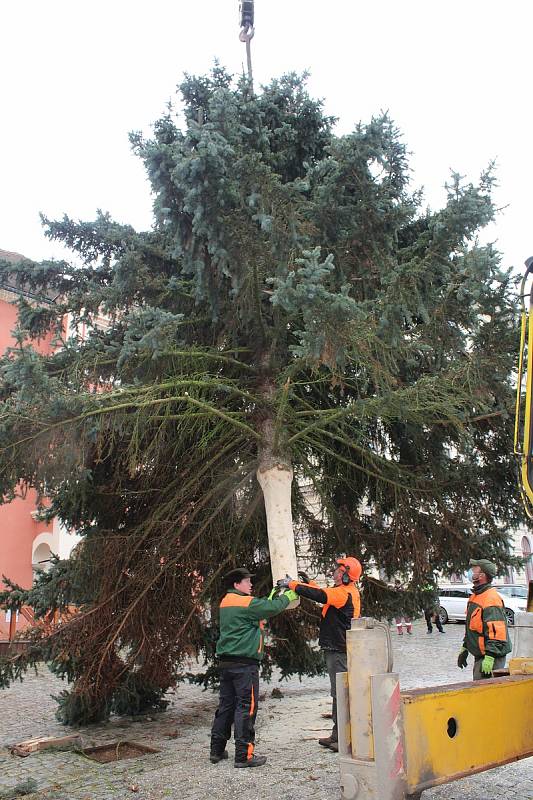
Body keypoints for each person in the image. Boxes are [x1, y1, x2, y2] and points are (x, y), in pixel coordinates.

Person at [209, 567, 297, 768]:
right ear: (236, 584)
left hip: (227, 662)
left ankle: (216, 750)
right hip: (244, 665)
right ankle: (244, 755)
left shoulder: (227, 601)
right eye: (247, 582)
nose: (251, 585)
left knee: (226, 706)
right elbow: (270, 609)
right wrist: (287, 597)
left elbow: (261, 606)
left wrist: (274, 595)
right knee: (245, 708)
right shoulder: (245, 603)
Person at [277, 556, 362, 752]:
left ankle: (342, 738)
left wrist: (292, 585)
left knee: (339, 693)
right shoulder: (345, 591)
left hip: (338, 650)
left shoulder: (343, 594)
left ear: (346, 576)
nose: (335, 571)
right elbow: (324, 593)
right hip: (339, 648)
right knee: (339, 693)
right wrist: (306, 583)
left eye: (339, 570)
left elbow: (321, 596)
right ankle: (337, 735)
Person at [457, 558, 512, 680]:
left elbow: (497, 632)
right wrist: (465, 647)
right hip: (481, 655)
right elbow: (472, 627)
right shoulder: (475, 597)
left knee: (487, 693)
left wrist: (490, 657)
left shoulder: (491, 599)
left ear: (482, 576)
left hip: (492, 656)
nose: (470, 572)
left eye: (474, 570)